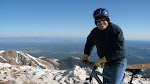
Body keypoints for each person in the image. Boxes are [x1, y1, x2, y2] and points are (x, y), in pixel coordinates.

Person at [81, 8, 127, 84]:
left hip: (118, 61)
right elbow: (89, 42)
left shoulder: (115, 29)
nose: (101, 22)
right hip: (107, 62)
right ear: (95, 22)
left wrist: (103, 59)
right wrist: (86, 55)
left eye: (103, 19)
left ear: (107, 19)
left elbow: (118, 48)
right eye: (98, 21)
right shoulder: (95, 31)